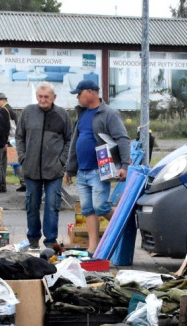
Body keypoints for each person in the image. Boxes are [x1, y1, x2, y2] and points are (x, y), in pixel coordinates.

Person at [64, 79, 131, 255]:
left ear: (90, 92)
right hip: (82, 171)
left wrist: (124, 165)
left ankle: (123, 222)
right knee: (87, 209)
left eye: (79, 93)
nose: (77, 97)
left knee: (100, 206)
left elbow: (123, 139)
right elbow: (74, 142)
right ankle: (93, 247)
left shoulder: (108, 113)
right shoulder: (82, 114)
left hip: (100, 171)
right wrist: (70, 170)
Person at [17, 82, 72, 249]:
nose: (43, 100)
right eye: (40, 96)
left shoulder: (62, 115)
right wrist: (23, 158)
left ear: (54, 97)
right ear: (36, 97)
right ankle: (33, 240)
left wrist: (61, 161)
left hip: (54, 170)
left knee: (52, 206)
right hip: (31, 168)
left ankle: (50, 242)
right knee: (31, 205)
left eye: (46, 97)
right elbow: (19, 137)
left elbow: (70, 140)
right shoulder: (28, 112)